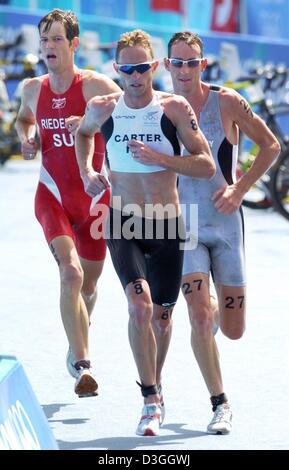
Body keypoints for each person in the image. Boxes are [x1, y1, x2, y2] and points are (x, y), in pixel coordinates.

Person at [75, 29, 215, 436]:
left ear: (154, 67)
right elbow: (83, 134)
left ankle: (156, 385)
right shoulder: (103, 107)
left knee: (162, 318)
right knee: (139, 306)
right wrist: (88, 170)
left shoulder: (173, 109)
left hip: (168, 220)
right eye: (128, 69)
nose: (135, 76)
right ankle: (149, 398)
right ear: (117, 69)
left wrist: (159, 157)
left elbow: (205, 164)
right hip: (122, 219)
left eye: (142, 68)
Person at [164, 32, 281, 434]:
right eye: (176, 63)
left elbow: (270, 146)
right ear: (166, 66)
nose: (183, 70)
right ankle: (220, 403)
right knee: (197, 317)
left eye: (191, 62)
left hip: (227, 222)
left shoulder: (227, 101)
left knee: (232, 331)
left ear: (203, 64)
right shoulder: (160, 107)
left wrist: (239, 189)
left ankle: (214, 310)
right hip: (183, 225)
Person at [15, 9, 120, 397]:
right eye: (44, 40)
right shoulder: (32, 88)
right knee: (70, 275)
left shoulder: (94, 86)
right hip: (53, 195)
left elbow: (131, 111)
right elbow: (24, 119)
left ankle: (77, 342)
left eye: (57, 39)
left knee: (89, 287)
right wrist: (28, 138)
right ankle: (83, 365)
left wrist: (91, 121)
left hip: (95, 198)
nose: (48, 47)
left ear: (74, 44)